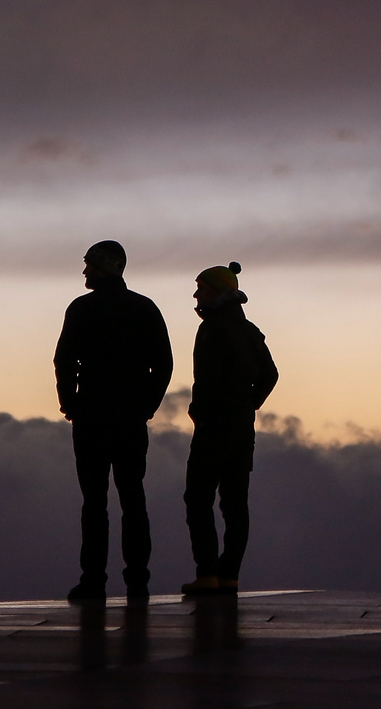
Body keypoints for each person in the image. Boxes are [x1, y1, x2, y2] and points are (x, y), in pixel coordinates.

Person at [53, 240, 173, 603]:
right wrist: (146, 406)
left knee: (94, 503)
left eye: (89, 264)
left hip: (91, 417)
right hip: (129, 419)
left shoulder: (81, 309)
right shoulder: (144, 308)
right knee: (133, 499)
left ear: (105, 266)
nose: (85, 271)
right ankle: (137, 581)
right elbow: (163, 365)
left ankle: (94, 582)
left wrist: (70, 402)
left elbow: (64, 360)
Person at [181, 261, 278, 596]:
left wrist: (202, 412)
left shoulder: (211, 329)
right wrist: (247, 405)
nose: (195, 294)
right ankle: (230, 575)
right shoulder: (250, 332)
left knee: (198, 499)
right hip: (241, 431)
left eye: (201, 288)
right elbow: (271, 375)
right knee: (235, 504)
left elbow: (207, 381)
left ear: (218, 292)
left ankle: (207, 574)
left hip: (212, 429)